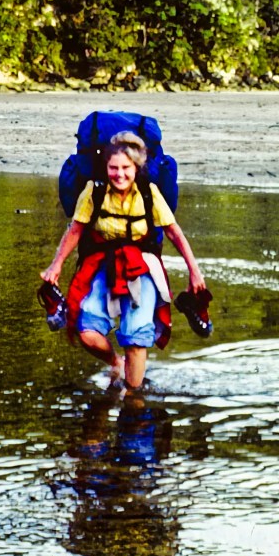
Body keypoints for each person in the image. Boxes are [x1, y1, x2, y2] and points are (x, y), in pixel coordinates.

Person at [41, 131, 206, 391]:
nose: (119, 174)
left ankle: (134, 400)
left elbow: (174, 231)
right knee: (86, 331)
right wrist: (56, 265)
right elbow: (76, 229)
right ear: (105, 167)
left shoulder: (149, 193)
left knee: (136, 337)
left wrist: (194, 272)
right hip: (103, 263)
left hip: (142, 266)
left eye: (126, 168)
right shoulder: (94, 192)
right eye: (113, 168)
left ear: (136, 167)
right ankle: (115, 363)